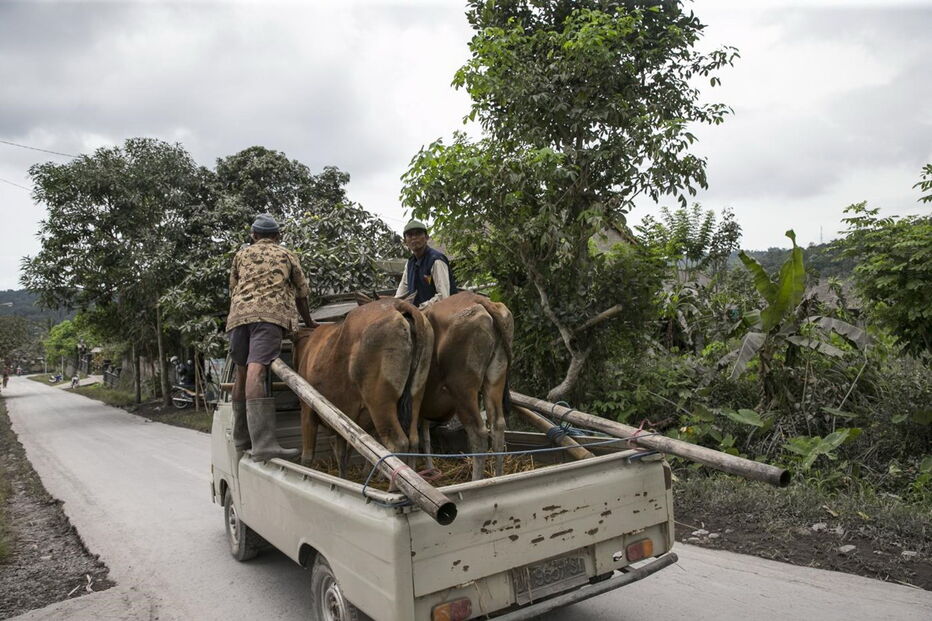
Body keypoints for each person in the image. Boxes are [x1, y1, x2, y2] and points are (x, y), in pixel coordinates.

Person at [226, 213, 317, 461]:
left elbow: (233, 288)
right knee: (258, 371)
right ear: (277, 237)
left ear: (254, 236)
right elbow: (301, 292)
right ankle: (264, 444)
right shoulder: (286, 254)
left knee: (241, 373)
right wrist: (308, 322)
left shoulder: (241, 255)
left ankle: (241, 438)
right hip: (268, 318)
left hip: (237, 318)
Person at [394, 219, 458, 309]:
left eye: (418, 234)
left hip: (444, 313)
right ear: (405, 241)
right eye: (410, 235)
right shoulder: (410, 263)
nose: (414, 238)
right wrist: (393, 305)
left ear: (427, 238)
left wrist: (419, 308)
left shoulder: (436, 260)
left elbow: (443, 296)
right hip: (420, 313)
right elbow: (402, 291)